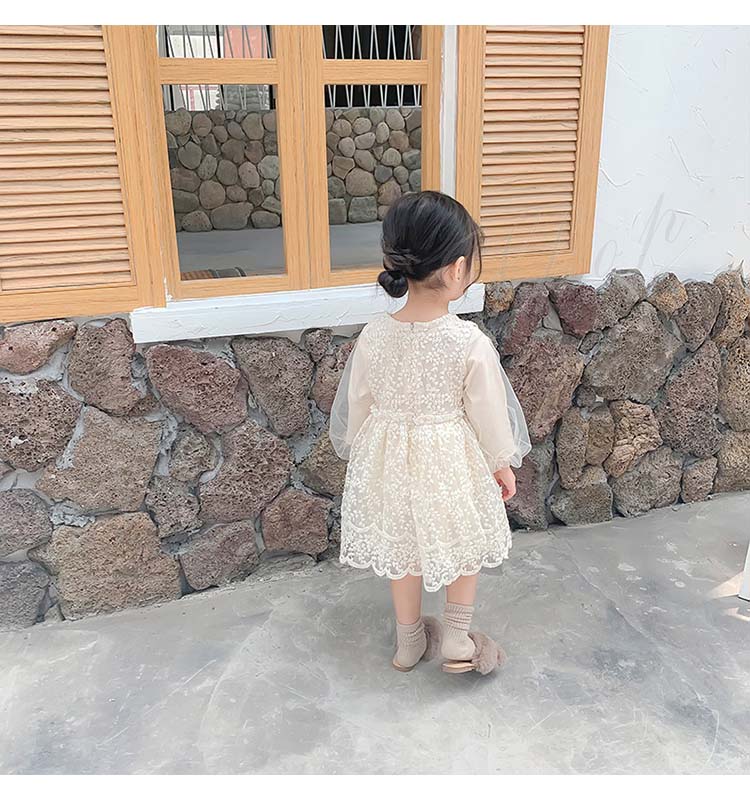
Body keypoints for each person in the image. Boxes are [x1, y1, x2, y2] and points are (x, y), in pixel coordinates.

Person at [329, 191, 530, 676]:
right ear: (458, 269)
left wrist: (362, 451)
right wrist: (501, 462)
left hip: (389, 460)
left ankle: (409, 641)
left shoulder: (374, 334)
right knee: (463, 542)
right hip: (449, 461)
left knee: (404, 550)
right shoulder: (467, 341)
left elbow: (359, 401)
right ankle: (457, 637)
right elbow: (488, 411)